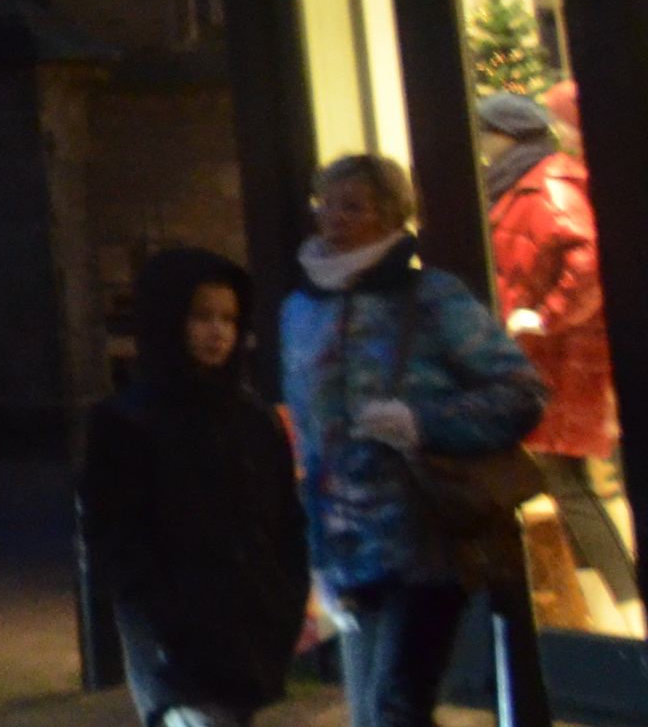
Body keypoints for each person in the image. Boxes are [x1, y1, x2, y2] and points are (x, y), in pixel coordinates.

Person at [284, 150, 543, 727]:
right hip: (343, 543)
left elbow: (521, 393)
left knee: (396, 706)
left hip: (424, 535)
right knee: (373, 711)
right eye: (327, 203)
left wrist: (421, 422)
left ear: (392, 215)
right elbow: (310, 438)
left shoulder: (432, 298)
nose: (335, 217)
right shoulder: (300, 309)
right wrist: (316, 553)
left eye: (354, 206)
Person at [79, 247, 306, 724]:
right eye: (201, 316)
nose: (218, 331)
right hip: (175, 633)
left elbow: (283, 518)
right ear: (170, 317)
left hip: (247, 625)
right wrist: (162, 609)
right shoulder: (128, 422)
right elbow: (114, 533)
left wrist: (282, 602)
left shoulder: (250, 417)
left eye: (228, 317)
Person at [481, 89, 634, 627]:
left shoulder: (543, 182)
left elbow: (587, 259)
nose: (481, 147)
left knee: (567, 484)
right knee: (562, 481)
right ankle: (607, 610)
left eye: (485, 134)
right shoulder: (523, 183)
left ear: (503, 135)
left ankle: (629, 611)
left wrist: (545, 315)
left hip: (561, 356)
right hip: (542, 356)